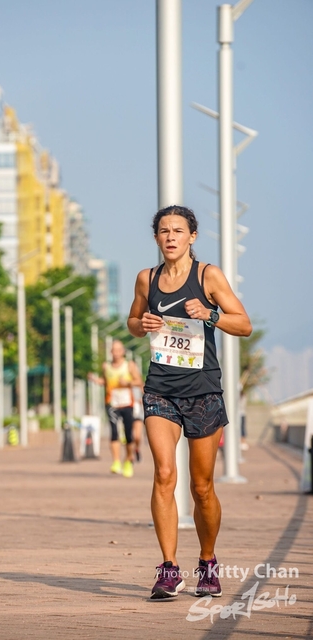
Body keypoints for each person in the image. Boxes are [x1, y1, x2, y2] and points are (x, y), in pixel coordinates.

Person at [127, 205, 252, 599]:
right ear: (156, 237)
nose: (170, 237)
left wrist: (211, 315)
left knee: (202, 487)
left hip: (203, 391)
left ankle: (208, 561)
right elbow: (132, 322)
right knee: (164, 474)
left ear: (192, 236)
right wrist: (142, 324)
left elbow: (244, 324)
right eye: (164, 231)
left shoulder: (207, 276)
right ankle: (168, 569)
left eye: (178, 231)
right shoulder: (146, 279)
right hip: (160, 389)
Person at [89, 340, 142, 478]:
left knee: (128, 434)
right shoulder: (106, 366)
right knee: (114, 432)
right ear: (110, 352)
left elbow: (139, 381)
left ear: (123, 351)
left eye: (119, 350)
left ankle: (128, 460)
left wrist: (128, 383)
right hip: (112, 403)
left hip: (127, 403)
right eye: (114, 350)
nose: (116, 353)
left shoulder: (129, 365)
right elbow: (105, 380)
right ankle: (116, 461)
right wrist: (96, 380)